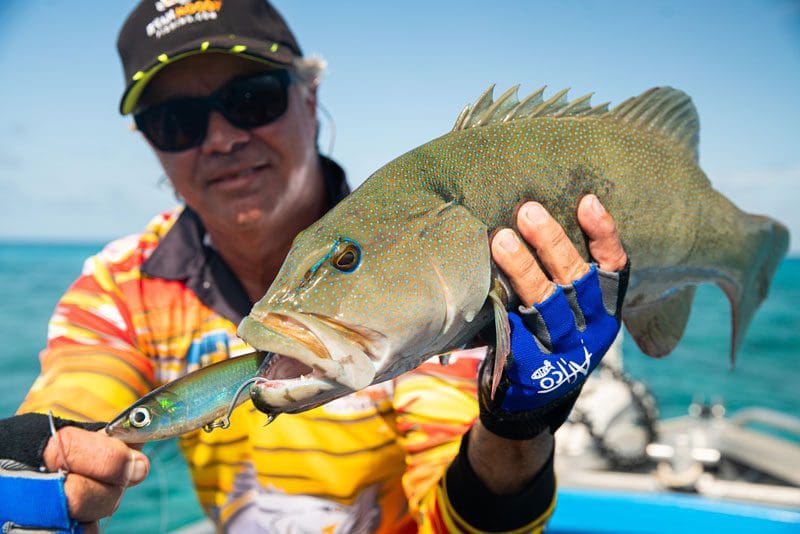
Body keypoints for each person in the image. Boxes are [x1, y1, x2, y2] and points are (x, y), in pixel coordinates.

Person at [0, 1, 628, 533]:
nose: (220, 139)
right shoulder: (121, 282)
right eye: (177, 121)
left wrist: (515, 425)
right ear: (151, 145)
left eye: (251, 99)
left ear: (310, 96)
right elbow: (78, 388)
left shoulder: (441, 267)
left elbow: (456, 516)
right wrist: (37, 448)